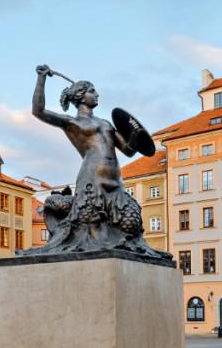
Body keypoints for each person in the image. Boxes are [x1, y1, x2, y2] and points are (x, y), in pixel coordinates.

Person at [28, 65, 158, 257]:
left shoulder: (106, 123)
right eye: (92, 91)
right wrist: (41, 79)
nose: (97, 94)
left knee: (130, 223)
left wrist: (135, 134)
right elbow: (38, 111)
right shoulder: (72, 123)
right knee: (92, 227)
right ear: (81, 95)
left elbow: (128, 151)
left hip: (115, 182)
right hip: (92, 180)